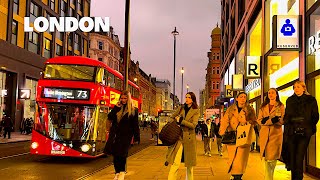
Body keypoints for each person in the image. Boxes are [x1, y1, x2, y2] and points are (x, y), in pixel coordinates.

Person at [283, 81, 319, 180]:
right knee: (292, 158)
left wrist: (309, 128)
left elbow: (315, 116)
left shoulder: (311, 100)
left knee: (299, 158)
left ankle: (298, 178)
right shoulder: (290, 100)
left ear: (304, 88)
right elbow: (287, 116)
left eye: (298, 87)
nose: (296, 89)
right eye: (294, 87)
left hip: (304, 133)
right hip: (292, 132)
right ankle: (294, 178)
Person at [219, 92, 256, 180]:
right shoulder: (231, 109)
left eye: (244, 97)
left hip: (244, 135)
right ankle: (236, 176)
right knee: (233, 158)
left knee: (241, 159)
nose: (243, 98)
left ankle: (237, 176)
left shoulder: (250, 109)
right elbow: (225, 120)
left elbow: (254, 121)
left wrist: (247, 123)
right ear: (237, 98)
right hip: (232, 135)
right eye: (241, 97)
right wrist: (222, 131)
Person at [104, 90, 140, 180]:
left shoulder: (133, 110)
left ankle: (122, 172)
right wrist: (116, 108)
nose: (123, 100)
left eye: (125, 98)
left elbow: (135, 124)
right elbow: (110, 117)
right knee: (115, 154)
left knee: (122, 154)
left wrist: (136, 137)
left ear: (128, 99)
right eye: (122, 98)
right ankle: (117, 173)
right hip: (115, 135)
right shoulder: (117, 107)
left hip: (126, 136)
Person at [166, 92, 200, 180]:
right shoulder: (181, 108)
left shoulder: (196, 110)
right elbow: (172, 117)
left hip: (189, 139)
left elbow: (193, 125)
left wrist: (181, 121)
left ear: (193, 99)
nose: (187, 99)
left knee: (189, 166)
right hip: (179, 138)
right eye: (186, 97)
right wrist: (175, 123)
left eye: (189, 97)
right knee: (175, 162)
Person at [257, 88, 285, 180]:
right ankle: (269, 177)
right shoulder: (263, 106)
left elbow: (282, 121)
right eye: (269, 93)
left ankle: (268, 178)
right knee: (267, 159)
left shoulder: (280, 106)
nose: (271, 94)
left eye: (273, 93)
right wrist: (272, 120)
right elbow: (260, 121)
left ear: (276, 94)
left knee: (271, 159)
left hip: (275, 135)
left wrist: (270, 120)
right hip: (265, 135)